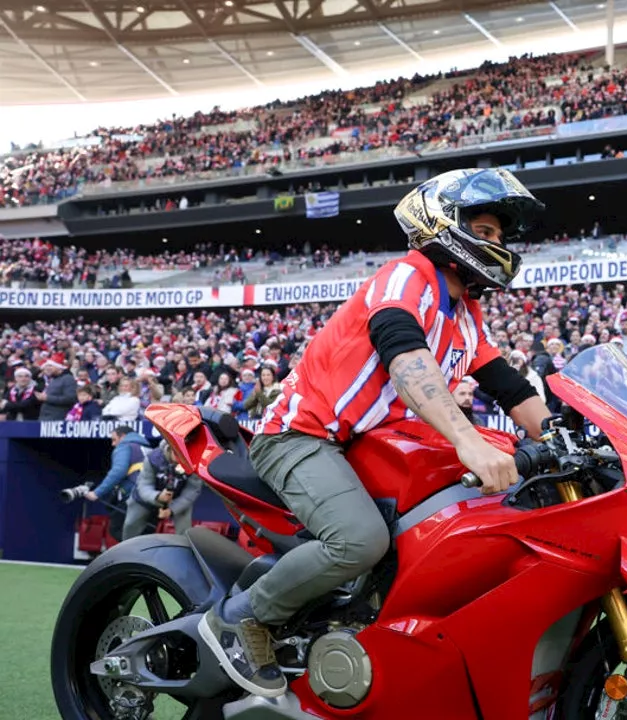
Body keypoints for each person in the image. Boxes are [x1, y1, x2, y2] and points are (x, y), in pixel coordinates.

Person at [198, 168, 553, 698]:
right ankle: (242, 618)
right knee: (359, 540)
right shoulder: (406, 277)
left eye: (500, 235)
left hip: (366, 443)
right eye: (484, 229)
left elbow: (510, 388)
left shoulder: (466, 313)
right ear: (443, 224)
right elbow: (407, 358)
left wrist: (574, 437)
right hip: (301, 435)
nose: (496, 243)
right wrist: (468, 439)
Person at [123, 441, 204, 540]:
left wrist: (172, 509)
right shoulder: (153, 458)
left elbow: (192, 490)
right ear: (170, 448)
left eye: (185, 456)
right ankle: (128, 551)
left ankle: (184, 551)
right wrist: (157, 496)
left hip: (178, 499)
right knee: (130, 525)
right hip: (147, 498)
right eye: (178, 454)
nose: (181, 459)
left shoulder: (194, 461)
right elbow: (144, 484)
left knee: (184, 530)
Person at [85, 425, 151, 543]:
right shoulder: (148, 449)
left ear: (123, 437)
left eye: (114, 439)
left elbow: (118, 472)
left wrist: (97, 493)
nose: (113, 444)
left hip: (132, 496)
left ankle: (132, 557)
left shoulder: (125, 446)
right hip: (152, 498)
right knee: (145, 533)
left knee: (117, 530)